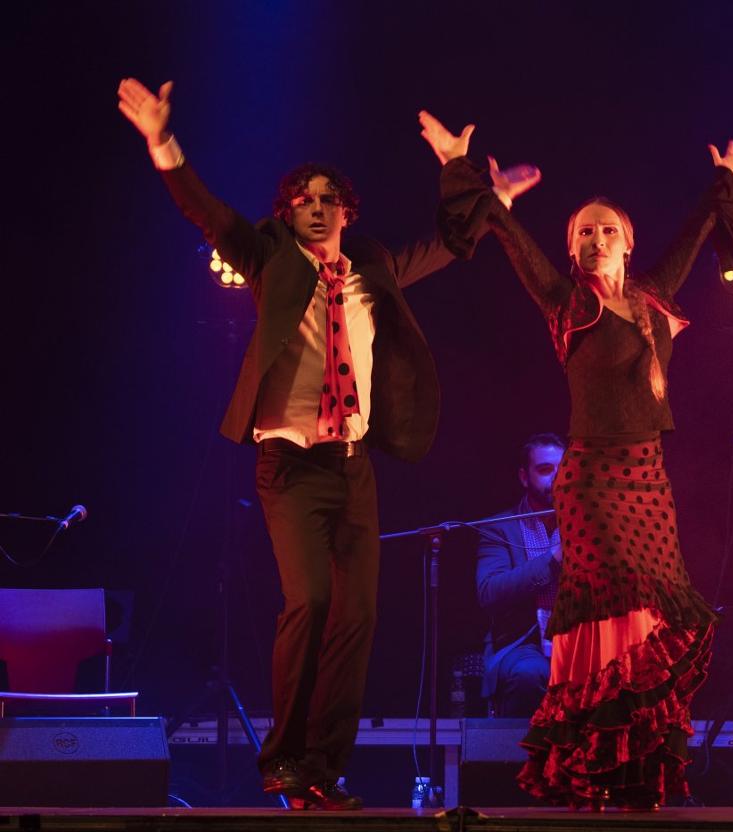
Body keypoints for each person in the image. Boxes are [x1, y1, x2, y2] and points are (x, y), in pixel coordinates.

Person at [117, 79, 522, 809]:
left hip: (354, 466)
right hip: (291, 465)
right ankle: (281, 760)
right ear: (287, 211)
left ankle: (322, 768)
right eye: (302, 198)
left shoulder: (372, 265)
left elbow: (452, 242)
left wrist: (473, 183)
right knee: (307, 599)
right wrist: (160, 141)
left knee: (358, 615)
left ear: (346, 209)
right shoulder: (267, 257)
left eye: (326, 197)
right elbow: (205, 213)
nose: (314, 207)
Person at [424, 112, 733, 810]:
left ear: (628, 246)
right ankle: (593, 764)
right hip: (595, 481)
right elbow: (507, 237)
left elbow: (697, 231)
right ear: (571, 250)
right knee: (614, 612)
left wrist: (723, 182)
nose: (595, 238)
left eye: (607, 230)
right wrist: (461, 169)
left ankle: (631, 768)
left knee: (649, 621)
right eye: (583, 231)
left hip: (649, 481)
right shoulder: (566, 304)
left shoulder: (655, 296)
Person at [475, 434, 567, 718]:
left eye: (563, 469)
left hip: (580, 640)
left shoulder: (588, 523)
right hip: (525, 645)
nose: (556, 477)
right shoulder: (500, 528)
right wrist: (553, 559)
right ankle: (524, 761)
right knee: (530, 675)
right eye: (545, 470)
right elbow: (490, 592)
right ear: (524, 477)